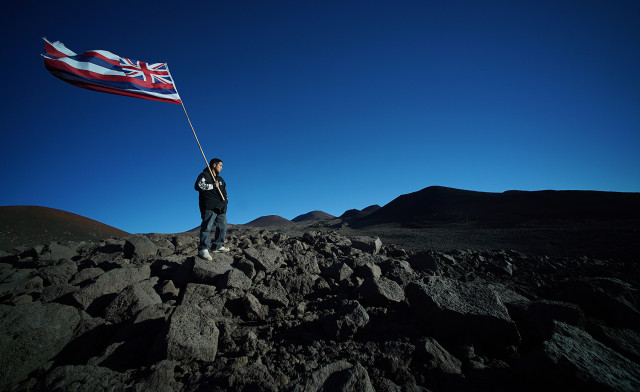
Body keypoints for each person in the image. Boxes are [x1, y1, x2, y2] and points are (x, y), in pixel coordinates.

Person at [195, 158, 229, 260]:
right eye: (220, 166)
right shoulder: (204, 175)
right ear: (214, 165)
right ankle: (203, 249)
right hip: (209, 205)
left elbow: (225, 192)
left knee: (223, 226)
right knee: (207, 226)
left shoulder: (221, 180)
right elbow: (198, 186)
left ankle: (218, 246)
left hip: (220, 207)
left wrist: (226, 201)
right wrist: (212, 186)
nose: (222, 168)